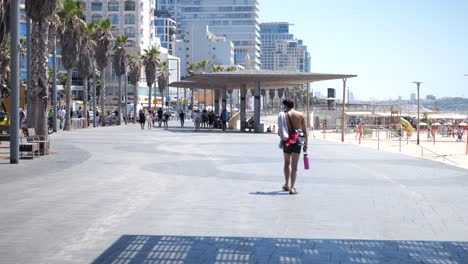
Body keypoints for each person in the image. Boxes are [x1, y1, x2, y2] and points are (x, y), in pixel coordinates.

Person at [277, 99, 308, 195]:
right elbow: (305, 131)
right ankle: (292, 187)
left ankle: (286, 184)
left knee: (287, 163)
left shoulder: (283, 115)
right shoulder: (300, 115)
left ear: (285, 106)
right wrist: (306, 144)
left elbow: (280, 132)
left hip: (287, 141)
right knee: (294, 165)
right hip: (297, 141)